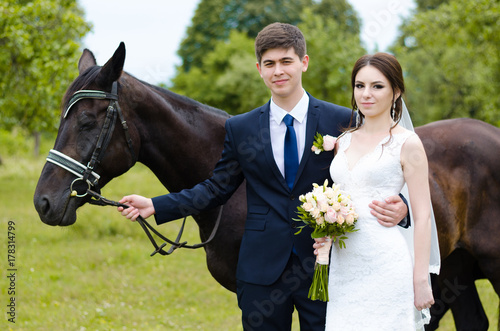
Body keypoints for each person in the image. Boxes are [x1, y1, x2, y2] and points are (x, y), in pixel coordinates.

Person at [117, 23, 408, 331]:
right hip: (261, 272)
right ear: (259, 68)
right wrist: (156, 205)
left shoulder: (343, 120)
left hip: (329, 266)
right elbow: (217, 188)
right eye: (269, 64)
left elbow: (379, 170)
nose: (278, 71)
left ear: (304, 63)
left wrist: (402, 206)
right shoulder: (241, 128)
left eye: (286, 61)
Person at [314, 52, 435, 330]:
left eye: (377, 86)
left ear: (396, 92)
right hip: (344, 267)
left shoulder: (408, 144)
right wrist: (326, 229)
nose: (366, 94)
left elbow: (423, 215)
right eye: (359, 86)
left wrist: (420, 278)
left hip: (387, 264)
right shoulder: (342, 142)